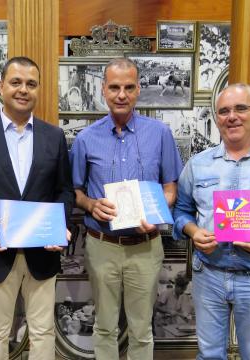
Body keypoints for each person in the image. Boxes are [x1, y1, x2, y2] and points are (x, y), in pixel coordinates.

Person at [0, 56, 74, 360]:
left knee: (44, 331)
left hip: (42, 252)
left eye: (31, 84)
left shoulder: (54, 136)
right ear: (1, 86)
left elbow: (64, 190)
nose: (23, 89)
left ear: (38, 89)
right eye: (16, 82)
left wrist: (58, 226)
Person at [173, 83, 250, 360]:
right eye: (224, 111)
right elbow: (181, 211)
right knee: (209, 356)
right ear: (217, 118)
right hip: (209, 276)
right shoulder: (197, 164)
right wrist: (193, 231)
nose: (232, 116)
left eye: (241, 108)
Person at [69, 58, 183, 360]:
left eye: (129, 87)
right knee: (104, 326)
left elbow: (171, 188)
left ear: (138, 90)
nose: (122, 94)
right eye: (115, 87)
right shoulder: (85, 139)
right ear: (104, 90)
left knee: (142, 328)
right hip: (102, 245)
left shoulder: (159, 134)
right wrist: (91, 204)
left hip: (145, 246)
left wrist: (158, 211)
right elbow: (75, 191)